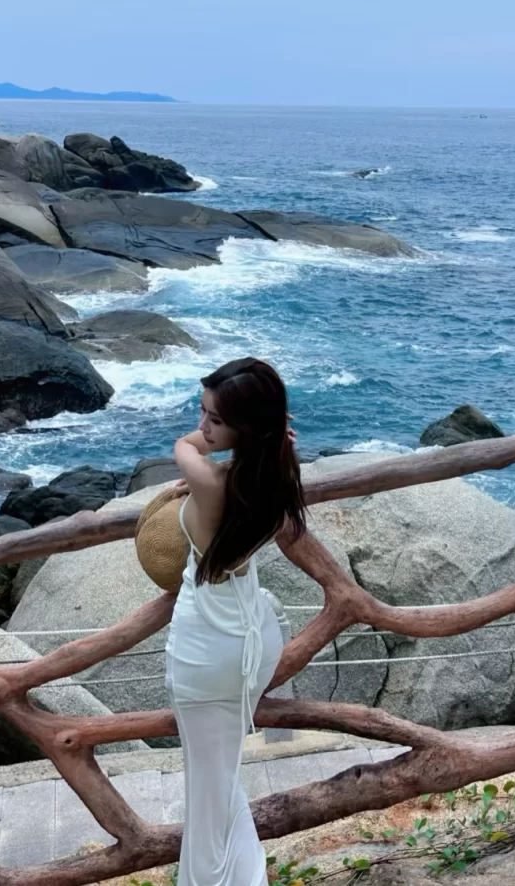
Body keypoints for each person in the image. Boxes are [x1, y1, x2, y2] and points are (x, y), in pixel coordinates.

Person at [166, 357, 306, 886]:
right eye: (201, 412)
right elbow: (225, 459)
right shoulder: (276, 475)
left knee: (208, 792)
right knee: (220, 781)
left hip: (207, 647)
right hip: (252, 640)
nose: (203, 425)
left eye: (215, 418)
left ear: (248, 429)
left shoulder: (210, 480)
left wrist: (201, 452)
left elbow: (185, 447)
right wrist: (263, 437)